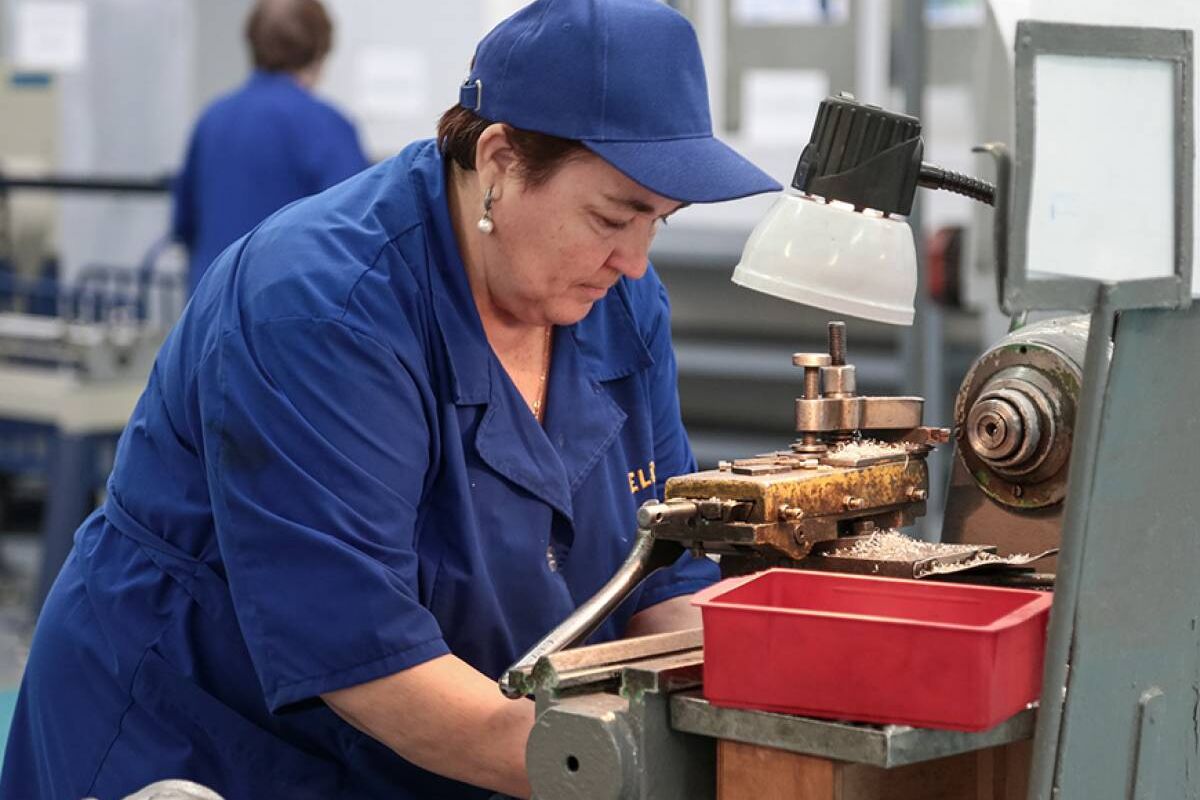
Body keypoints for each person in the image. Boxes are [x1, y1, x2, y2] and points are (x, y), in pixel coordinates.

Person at [1, 0, 781, 797]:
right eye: (612, 217)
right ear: (501, 161)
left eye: (659, 220)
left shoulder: (617, 305)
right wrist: (623, 768)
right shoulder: (320, 309)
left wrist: (769, 708)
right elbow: (364, 652)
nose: (636, 260)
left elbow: (657, 573)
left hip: (454, 744)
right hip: (205, 740)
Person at [171, 0, 369, 293]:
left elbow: (184, 225)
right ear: (320, 49)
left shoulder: (212, 120)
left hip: (208, 315)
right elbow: (359, 237)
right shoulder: (328, 127)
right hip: (288, 321)